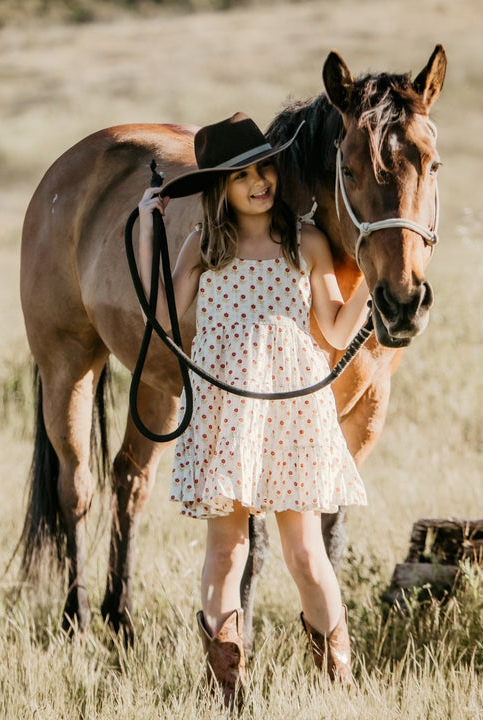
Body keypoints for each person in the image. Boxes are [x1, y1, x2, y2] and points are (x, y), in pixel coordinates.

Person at [136, 112, 369, 704]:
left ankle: (338, 680)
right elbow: (161, 317)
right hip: (225, 411)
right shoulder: (205, 246)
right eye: (243, 176)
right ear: (220, 187)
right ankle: (229, 687)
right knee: (227, 548)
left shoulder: (305, 240)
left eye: (265, 169)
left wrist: (373, 271)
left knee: (304, 552)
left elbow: (338, 330)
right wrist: (148, 231)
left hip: (294, 410)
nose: (259, 182)